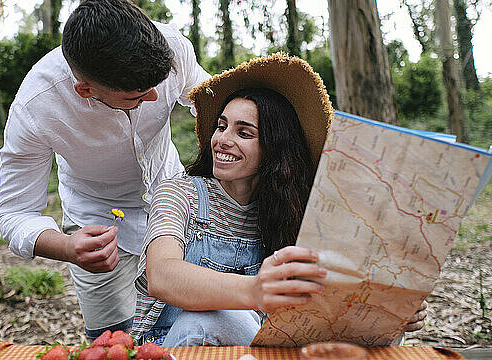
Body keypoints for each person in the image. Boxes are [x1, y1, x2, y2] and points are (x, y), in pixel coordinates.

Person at [131, 54, 428, 346]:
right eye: (221, 126)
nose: (222, 139)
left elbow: (323, 306)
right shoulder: (179, 193)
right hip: (171, 346)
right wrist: (254, 291)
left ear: (274, 147)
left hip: (258, 347)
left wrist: (392, 310)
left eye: (244, 132)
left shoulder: (292, 212)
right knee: (212, 319)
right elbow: (162, 275)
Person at [0, 0, 209, 338]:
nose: (155, 97)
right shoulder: (36, 107)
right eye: (137, 95)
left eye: (156, 86)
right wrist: (68, 247)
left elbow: (210, 101)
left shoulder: (171, 48)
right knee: (113, 342)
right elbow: (14, 213)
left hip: (175, 206)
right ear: (85, 90)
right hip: (96, 222)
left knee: (191, 327)